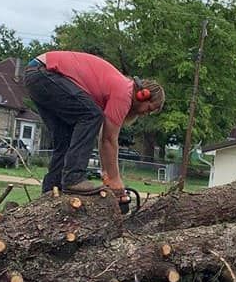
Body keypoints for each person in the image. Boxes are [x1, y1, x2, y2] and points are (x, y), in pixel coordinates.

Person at [25, 51, 165, 195]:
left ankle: (52, 189)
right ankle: (74, 178)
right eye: (148, 109)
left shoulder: (119, 87)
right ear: (143, 95)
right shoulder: (125, 92)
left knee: (66, 137)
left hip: (35, 74)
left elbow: (104, 139)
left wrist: (107, 174)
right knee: (92, 115)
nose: (145, 114)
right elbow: (108, 140)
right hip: (45, 73)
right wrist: (115, 179)